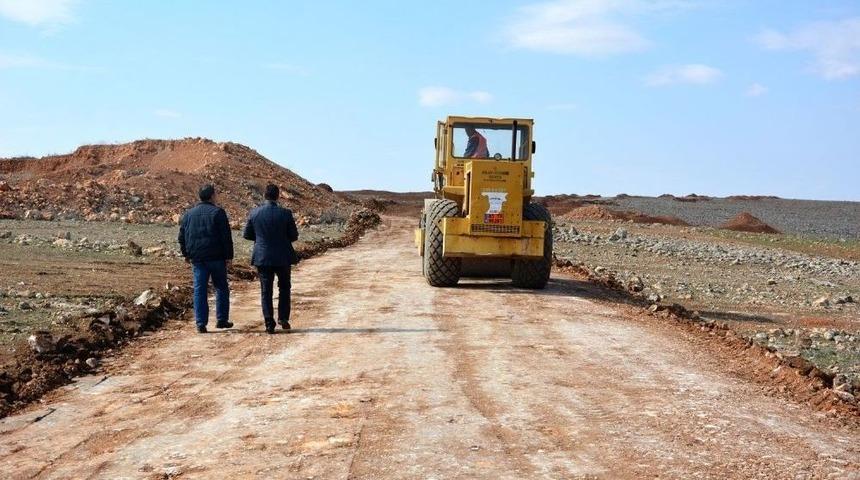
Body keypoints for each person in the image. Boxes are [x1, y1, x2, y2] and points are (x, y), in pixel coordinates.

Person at [243, 184, 299, 334]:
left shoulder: (255, 213)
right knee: (285, 287)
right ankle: (283, 318)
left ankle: (269, 323)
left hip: (262, 257)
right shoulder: (285, 213)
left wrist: (261, 239)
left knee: (265, 290)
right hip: (282, 256)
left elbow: (247, 235)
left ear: (264, 196)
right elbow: (294, 236)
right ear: (278, 196)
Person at [178, 184, 234, 333]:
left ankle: (200, 323)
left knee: (199, 289)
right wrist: (228, 256)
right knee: (221, 287)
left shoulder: (189, 214)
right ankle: (222, 320)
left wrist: (186, 254)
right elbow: (226, 237)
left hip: (197, 258)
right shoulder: (218, 212)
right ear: (212, 196)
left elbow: (182, 236)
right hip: (216, 258)